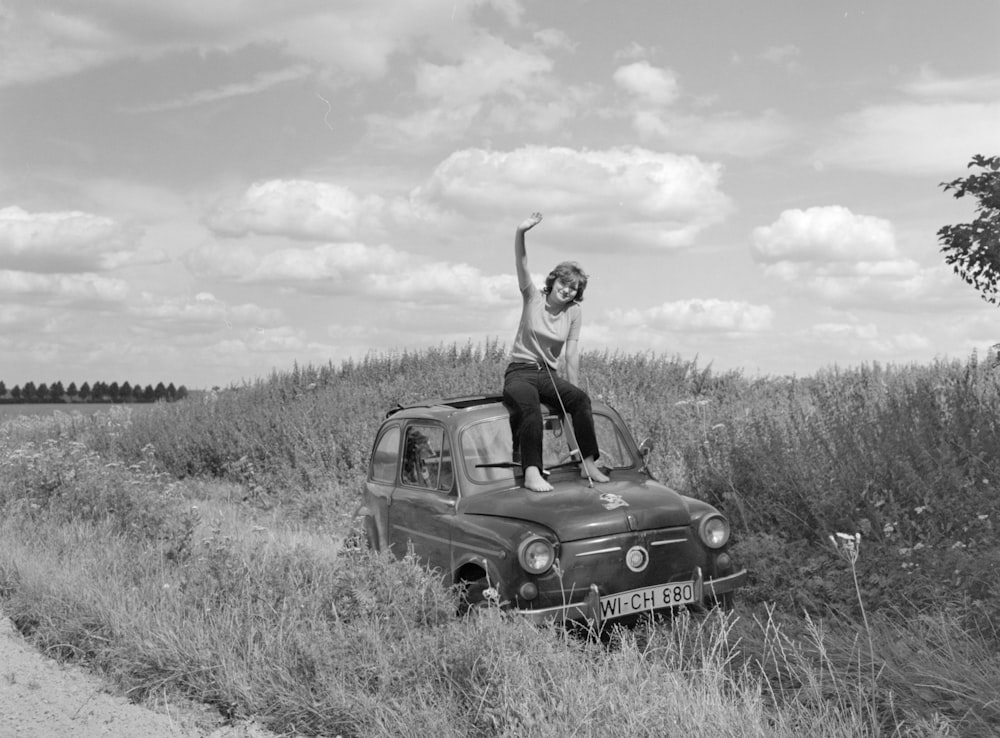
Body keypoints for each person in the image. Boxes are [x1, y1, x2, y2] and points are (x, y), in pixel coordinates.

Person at [502, 212, 610, 492]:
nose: (567, 290)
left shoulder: (574, 312)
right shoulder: (532, 297)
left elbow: (571, 353)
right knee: (530, 411)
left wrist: (571, 394)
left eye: (574, 288)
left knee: (581, 400)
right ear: (553, 282)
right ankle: (532, 472)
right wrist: (521, 232)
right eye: (564, 284)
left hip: (548, 375)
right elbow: (522, 262)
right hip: (521, 372)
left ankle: (588, 462)